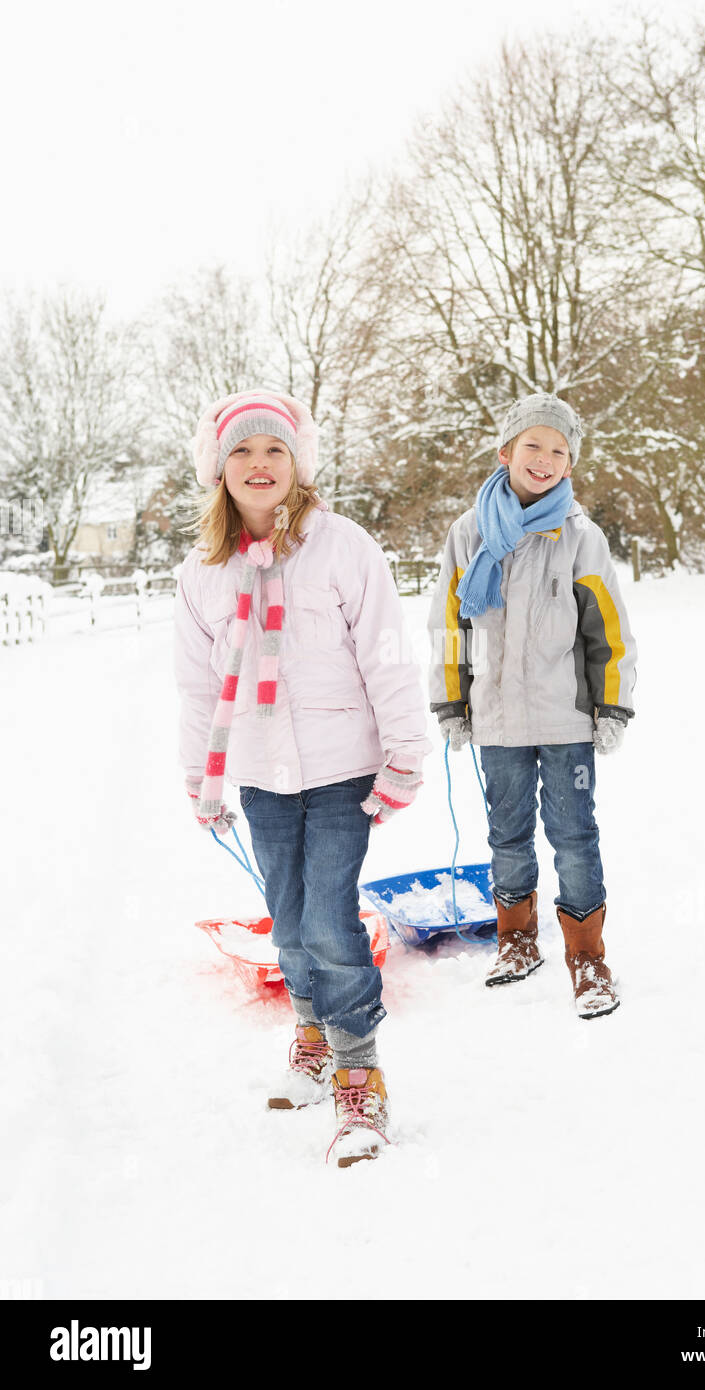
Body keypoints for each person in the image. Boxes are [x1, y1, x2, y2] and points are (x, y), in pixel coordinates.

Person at [175, 389, 430, 1165]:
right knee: (288, 926)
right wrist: (201, 780)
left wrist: (405, 752)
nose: (259, 465)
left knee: (328, 919)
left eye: (274, 450)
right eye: (243, 452)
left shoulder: (344, 547)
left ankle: (362, 1078)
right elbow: (194, 684)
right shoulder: (203, 570)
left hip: (343, 769)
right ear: (220, 471)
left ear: (298, 464)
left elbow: (386, 651)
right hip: (259, 775)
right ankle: (312, 1032)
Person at [427, 393, 637, 1016]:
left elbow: (609, 629)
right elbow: (448, 625)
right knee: (506, 836)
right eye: (533, 446)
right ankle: (516, 941)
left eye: (558, 451)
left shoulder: (579, 537)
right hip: (495, 718)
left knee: (574, 836)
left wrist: (612, 707)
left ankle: (587, 957)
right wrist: (450, 702)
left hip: (567, 717)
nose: (544, 459)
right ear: (505, 452)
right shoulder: (467, 535)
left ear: (570, 465)